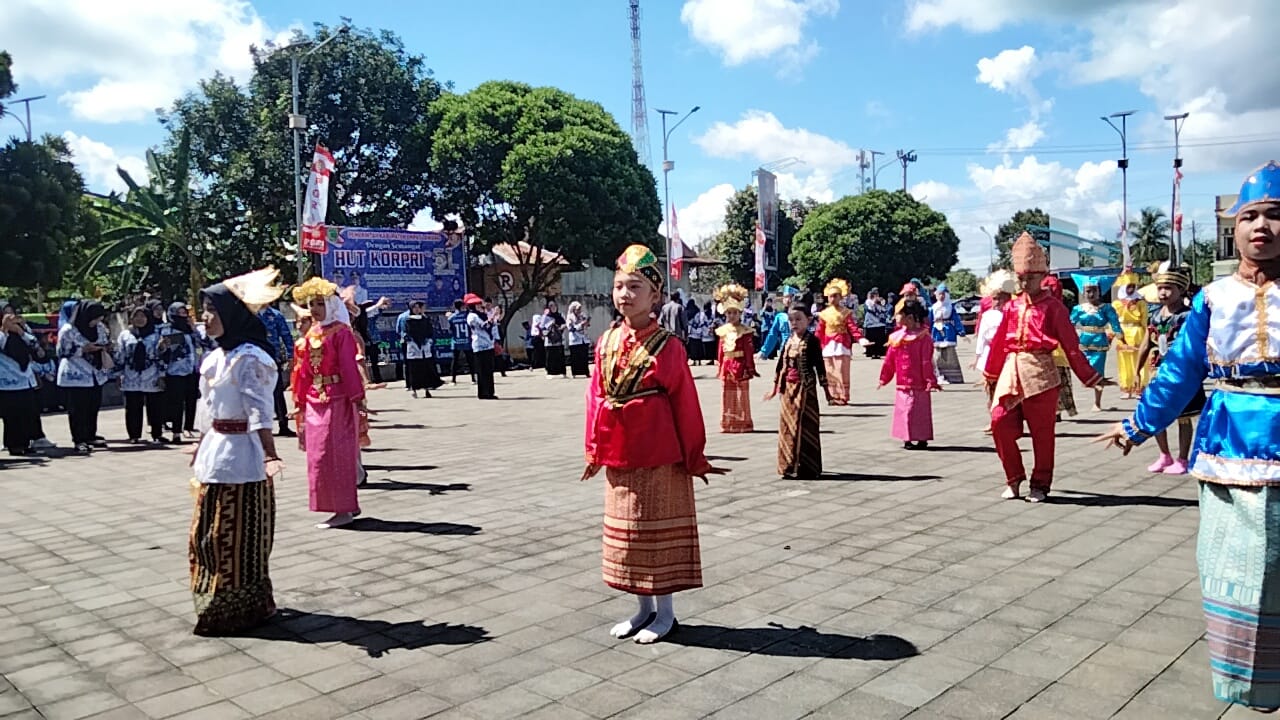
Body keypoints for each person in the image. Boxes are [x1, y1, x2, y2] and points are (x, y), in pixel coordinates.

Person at [1097, 161, 1280, 712]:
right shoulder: (1213, 298)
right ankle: (1248, 683)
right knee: (1240, 565)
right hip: (1229, 444)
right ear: (1235, 227)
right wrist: (1136, 425)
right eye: (1249, 216)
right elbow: (1179, 371)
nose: (1261, 227)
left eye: (1275, 215)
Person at [582, 245, 723, 644]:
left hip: (661, 457)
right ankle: (642, 609)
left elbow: (686, 405)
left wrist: (694, 456)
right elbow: (596, 396)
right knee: (630, 537)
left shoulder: (670, 346)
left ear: (655, 296)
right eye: (619, 286)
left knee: (656, 536)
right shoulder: (606, 340)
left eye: (635, 286)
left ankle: (667, 614)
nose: (625, 294)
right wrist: (593, 448)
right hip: (620, 455)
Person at [188, 267, 284, 636]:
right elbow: (206, 409)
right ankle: (213, 603)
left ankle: (242, 607)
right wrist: (199, 446)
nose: (206, 318)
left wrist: (270, 454)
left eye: (213, 310)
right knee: (206, 536)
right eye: (205, 310)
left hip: (243, 456)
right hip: (216, 453)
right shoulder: (214, 358)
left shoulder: (250, 359)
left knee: (239, 537)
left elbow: (261, 411)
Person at [984, 233, 1106, 502]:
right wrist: (990, 374)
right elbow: (998, 344)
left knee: (1042, 434)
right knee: (999, 422)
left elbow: (1071, 345)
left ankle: (1040, 484)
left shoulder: (1054, 308)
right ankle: (1013, 478)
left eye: (1030, 277)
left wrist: (1090, 375)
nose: (1025, 282)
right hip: (1012, 370)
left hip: (1041, 372)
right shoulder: (1012, 307)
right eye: (1021, 277)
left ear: (1042, 276)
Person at [291, 277, 367, 529]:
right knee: (318, 456)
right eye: (312, 304)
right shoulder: (311, 333)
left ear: (332, 305)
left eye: (320, 303)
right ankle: (344, 505)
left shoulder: (341, 333)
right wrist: (299, 400)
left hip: (337, 400)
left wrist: (357, 398)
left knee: (334, 454)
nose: (314, 309)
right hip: (314, 400)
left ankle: (342, 508)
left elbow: (348, 367)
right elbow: (302, 371)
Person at [1134, 261, 1204, 475]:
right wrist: (1137, 370)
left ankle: (1183, 458)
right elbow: (1146, 343)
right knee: (1156, 412)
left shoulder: (1187, 316)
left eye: (1168, 288)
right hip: (1158, 371)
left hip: (1182, 373)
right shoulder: (1155, 315)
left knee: (1184, 417)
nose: (1163, 293)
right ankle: (1164, 454)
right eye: (1160, 288)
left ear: (1180, 290)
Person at [766, 304, 830, 479]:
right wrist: (775, 387)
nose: (794, 323)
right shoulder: (788, 340)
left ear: (808, 320)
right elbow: (781, 365)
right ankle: (787, 466)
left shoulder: (812, 341)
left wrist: (827, 392)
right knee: (788, 427)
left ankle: (808, 468)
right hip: (788, 390)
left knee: (805, 426)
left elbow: (820, 366)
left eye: (798, 319)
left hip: (806, 390)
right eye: (791, 320)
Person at [878, 298, 940, 450]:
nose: (896, 318)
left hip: (920, 382)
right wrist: (884, 378)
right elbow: (889, 361)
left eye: (899, 315)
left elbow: (927, 361)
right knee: (904, 409)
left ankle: (922, 437)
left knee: (919, 410)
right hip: (902, 382)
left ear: (910, 318)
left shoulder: (923, 337)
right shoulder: (896, 338)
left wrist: (930, 379)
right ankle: (907, 437)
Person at [57, 300, 112, 454]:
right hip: (76, 374)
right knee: (78, 409)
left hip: (96, 373)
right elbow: (61, 352)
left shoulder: (100, 328)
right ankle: (79, 439)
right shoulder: (68, 330)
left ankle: (90, 435)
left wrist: (104, 347)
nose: (97, 321)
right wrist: (83, 350)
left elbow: (104, 341)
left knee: (92, 406)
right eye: (94, 318)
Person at [1069, 277, 1122, 413]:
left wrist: (1119, 334)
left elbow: (1115, 323)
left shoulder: (1106, 308)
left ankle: (1097, 402)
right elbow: (1069, 325)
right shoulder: (1078, 309)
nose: (1091, 294)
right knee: (1083, 370)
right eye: (1088, 291)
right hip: (1083, 342)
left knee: (1098, 372)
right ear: (1083, 292)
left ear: (1100, 292)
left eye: (1094, 291)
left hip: (1099, 343)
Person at [972, 270, 1016, 433]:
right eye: (994, 298)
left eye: (999, 298)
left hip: (1008, 355)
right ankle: (993, 420)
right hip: (990, 355)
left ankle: (1011, 420)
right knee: (990, 390)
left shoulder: (1013, 313)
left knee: (1009, 390)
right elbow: (982, 337)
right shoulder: (988, 315)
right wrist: (977, 357)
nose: (996, 302)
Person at [159, 302, 208, 444]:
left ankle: (189, 427)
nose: (183, 316)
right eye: (179, 313)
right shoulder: (167, 329)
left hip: (193, 368)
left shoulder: (192, 329)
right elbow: (163, 349)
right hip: (175, 370)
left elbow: (201, 344)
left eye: (184, 312)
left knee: (191, 399)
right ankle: (176, 431)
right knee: (176, 402)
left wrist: (194, 329)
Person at [117, 305, 166, 444]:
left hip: (151, 374)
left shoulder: (157, 335)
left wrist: (162, 374)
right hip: (130, 375)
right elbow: (120, 355)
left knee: (155, 406)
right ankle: (134, 435)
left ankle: (157, 434)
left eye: (142, 316)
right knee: (132, 407)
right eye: (136, 316)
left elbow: (161, 356)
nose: (139, 319)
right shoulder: (125, 335)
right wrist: (117, 375)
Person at [713, 284, 757, 433]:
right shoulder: (722, 331)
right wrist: (719, 366)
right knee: (728, 393)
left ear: (740, 313)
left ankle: (743, 422)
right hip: (727, 364)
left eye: (734, 313)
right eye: (729, 313)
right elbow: (720, 350)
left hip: (740, 364)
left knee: (741, 394)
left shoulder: (745, 331)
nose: (731, 316)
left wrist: (750, 367)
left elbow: (748, 350)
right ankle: (729, 421)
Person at [0, 308, 41, 456]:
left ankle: (26, 442)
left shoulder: (22, 328)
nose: (11, 317)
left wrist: (20, 330)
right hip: (6, 382)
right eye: (6, 314)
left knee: (27, 413)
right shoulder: (1, 333)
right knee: (11, 416)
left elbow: (34, 343)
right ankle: (14, 445)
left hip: (24, 378)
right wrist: (4, 329)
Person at [816, 279, 863, 405]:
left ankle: (843, 395)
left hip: (841, 344)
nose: (832, 299)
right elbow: (819, 331)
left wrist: (860, 338)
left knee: (842, 370)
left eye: (835, 296)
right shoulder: (824, 314)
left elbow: (852, 327)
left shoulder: (845, 312)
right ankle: (833, 395)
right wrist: (813, 344)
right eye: (830, 296)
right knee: (829, 371)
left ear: (840, 297)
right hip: (827, 345)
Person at [256, 303, 295, 438]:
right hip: (254, 360)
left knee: (277, 393)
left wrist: (291, 355)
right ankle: (259, 426)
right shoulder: (248, 313)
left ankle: (283, 424)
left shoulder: (275, 315)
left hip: (273, 359)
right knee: (256, 393)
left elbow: (286, 335)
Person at [1041, 275, 1077, 420]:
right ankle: (1050, 410)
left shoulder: (1058, 309)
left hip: (1057, 349)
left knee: (1059, 380)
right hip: (1042, 350)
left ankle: (1057, 411)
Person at [1113, 268, 1148, 399]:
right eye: (1128, 286)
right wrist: (1113, 334)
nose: (1131, 289)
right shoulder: (1116, 303)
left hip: (1137, 331)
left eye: (1133, 286)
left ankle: (1140, 387)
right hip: (1123, 333)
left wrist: (1147, 334)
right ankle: (1127, 388)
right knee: (1124, 362)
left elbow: (1144, 320)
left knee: (1140, 360)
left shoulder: (1140, 302)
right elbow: (1114, 321)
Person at [403, 300, 443, 398]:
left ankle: (427, 389)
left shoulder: (425, 319)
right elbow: (406, 333)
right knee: (415, 369)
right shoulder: (408, 320)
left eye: (418, 307)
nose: (417, 309)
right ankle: (414, 389)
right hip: (414, 347)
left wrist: (428, 341)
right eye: (414, 307)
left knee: (426, 369)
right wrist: (411, 340)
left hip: (425, 348)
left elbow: (430, 331)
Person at [930, 284, 967, 384]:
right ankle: (939, 376)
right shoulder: (933, 308)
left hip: (948, 331)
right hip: (936, 332)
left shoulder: (950, 307)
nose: (941, 296)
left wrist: (960, 330)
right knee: (938, 355)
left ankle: (953, 377)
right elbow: (929, 321)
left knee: (950, 354)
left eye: (943, 294)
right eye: (939, 294)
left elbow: (956, 319)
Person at [464, 294, 497, 399]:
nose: (479, 306)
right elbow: (484, 326)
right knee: (482, 371)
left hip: (488, 344)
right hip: (479, 345)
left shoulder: (482, 314)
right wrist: (492, 317)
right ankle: (483, 393)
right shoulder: (472, 316)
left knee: (489, 370)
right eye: (476, 304)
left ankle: (490, 392)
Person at [759, 286, 800, 359]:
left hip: (800, 349)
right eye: (786, 297)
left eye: (790, 297)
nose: (788, 300)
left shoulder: (802, 315)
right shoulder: (780, 317)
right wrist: (764, 351)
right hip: (784, 351)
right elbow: (773, 335)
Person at [447, 300, 474, 382]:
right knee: (470, 360)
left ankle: (453, 379)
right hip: (467, 341)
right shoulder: (468, 316)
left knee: (455, 361)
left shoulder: (452, 318)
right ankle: (473, 378)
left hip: (456, 341)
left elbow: (450, 330)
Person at [862, 288, 891, 359]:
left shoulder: (881, 301)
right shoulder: (868, 301)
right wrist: (875, 300)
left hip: (880, 323)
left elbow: (884, 308)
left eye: (877, 294)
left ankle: (878, 353)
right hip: (871, 323)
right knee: (872, 339)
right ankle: (872, 353)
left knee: (879, 339)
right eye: (875, 294)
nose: (876, 295)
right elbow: (870, 307)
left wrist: (881, 302)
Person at [566, 301, 592, 378]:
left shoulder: (582, 315)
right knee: (575, 358)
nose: (579, 311)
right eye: (578, 309)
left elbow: (587, 326)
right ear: (574, 309)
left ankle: (586, 372)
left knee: (584, 357)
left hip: (584, 339)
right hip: (575, 340)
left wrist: (587, 323)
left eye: (580, 309)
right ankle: (575, 373)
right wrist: (581, 324)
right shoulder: (570, 317)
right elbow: (571, 328)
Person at [542, 301, 568, 378]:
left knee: (560, 356)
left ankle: (562, 372)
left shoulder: (560, 315)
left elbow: (565, 323)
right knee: (550, 357)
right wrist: (550, 323)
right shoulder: (546, 316)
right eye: (551, 306)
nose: (553, 307)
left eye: (554, 306)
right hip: (550, 340)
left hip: (559, 339)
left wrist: (561, 327)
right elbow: (542, 326)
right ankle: (550, 373)